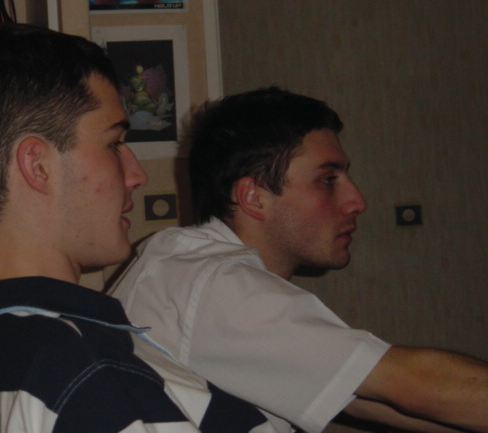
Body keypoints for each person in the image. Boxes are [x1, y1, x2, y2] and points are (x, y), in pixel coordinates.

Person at [0, 23, 278, 433]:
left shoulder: (5, 348)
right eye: (114, 143)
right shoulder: (80, 378)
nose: (137, 175)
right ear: (38, 165)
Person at [110, 86, 488, 433]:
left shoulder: (181, 262)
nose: (357, 201)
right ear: (254, 197)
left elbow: (364, 398)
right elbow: (415, 385)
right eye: (328, 180)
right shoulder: (215, 283)